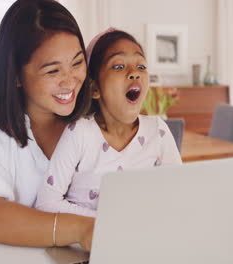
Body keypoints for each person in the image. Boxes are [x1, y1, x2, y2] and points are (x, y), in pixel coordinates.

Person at [0, 0, 94, 250]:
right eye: (53, 71)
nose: (70, 81)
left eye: (77, 63)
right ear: (16, 75)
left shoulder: (94, 114)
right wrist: (81, 229)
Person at [35, 29, 182, 216]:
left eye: (141, 66)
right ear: (95, 88)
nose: (134, 73)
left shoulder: (158, 131)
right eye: (119, 66)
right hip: (88, 244)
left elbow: (178, 194)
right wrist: (108, 222)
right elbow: (46, 203)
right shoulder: (79, 133)